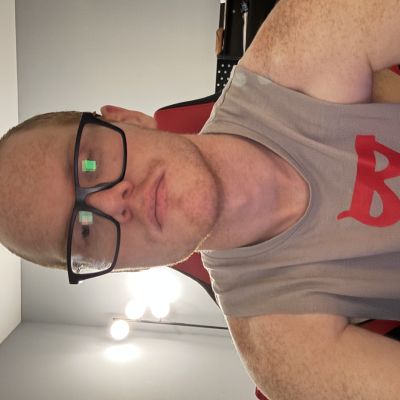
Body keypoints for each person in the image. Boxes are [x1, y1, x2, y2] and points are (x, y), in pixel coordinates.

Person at [1, 0, 400, 398]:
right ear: (121, 267)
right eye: (85, 232)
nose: (112, 204)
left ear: (127, 119)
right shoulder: (283, 352)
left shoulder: (298, 45)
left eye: (89, 165)